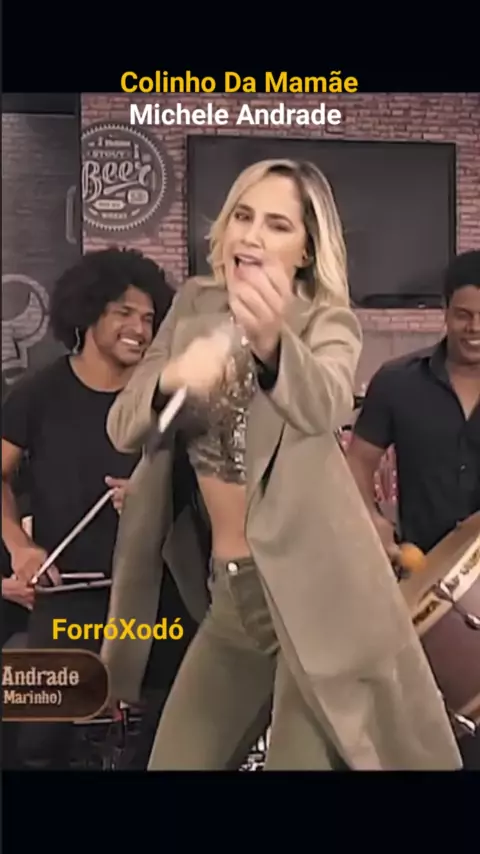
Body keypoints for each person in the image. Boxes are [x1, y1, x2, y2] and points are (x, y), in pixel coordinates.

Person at [101, 159, 462, 771]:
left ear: (305, 250)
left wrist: (271, 342)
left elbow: (325, 403)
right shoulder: (193, 305)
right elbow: (123, 425)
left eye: (277, 224)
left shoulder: (325, 321)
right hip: (233, 597)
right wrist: (171, 379)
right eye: (243, 216)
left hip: (319, 597)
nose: (252, 236)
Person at [1, 246, 196, 770]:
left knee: (160, 740)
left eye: (149, 318)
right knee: (36, 744)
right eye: (124, 313)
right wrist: (20, 547)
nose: (140, 328)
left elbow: (208, 486)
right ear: (87, 314)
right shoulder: (37, 394)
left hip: (155, 602)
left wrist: (153, 497)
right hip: (68, 602)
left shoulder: (168, 401)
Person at [346, 249, 480, 769]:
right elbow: (358, 463)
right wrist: (373, 519)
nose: (474, 328)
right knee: (431, 742)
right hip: (421, 587)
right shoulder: (397, 381)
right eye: (463, 315)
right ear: (444, 311)